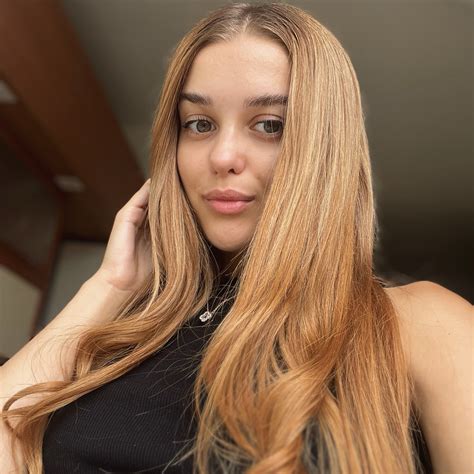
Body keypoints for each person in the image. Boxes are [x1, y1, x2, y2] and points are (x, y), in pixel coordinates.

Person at [1, 2, 472, 473]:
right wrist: (110, 286)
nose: (222, 156)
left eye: (270, 125)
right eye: (200, 124)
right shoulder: (130, 329)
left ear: (326, 149)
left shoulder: (422, 324)